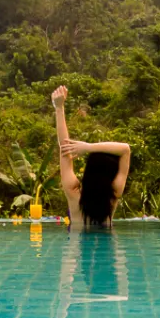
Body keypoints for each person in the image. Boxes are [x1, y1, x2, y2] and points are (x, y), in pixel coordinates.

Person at [51, 83, 131, 229]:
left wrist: (59, 107)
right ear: (111, 174)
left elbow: (64, 148)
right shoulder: (114, 195)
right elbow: (125, 149)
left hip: (76, 248)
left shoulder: (74, 193)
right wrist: (89, 147)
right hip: (108, 248)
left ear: (88, 171)